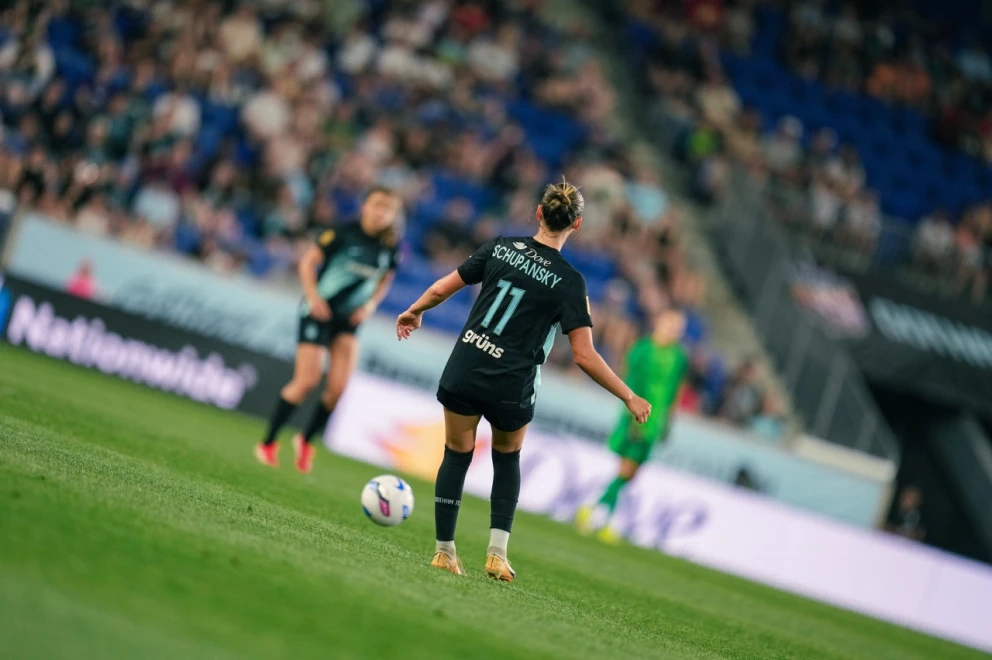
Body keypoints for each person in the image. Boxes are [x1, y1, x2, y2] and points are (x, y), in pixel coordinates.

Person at [395, 181, 652, 581]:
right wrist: (628, 395)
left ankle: (444, 551)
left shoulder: (500, 247)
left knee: (456, 454)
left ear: (539, 213)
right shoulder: (570, 282)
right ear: (577, 224)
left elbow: (444, 286)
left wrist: (415, 310)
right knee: (507, 458)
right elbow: (584, 355)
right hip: (511, 381)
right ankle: (497, 554)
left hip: (466, 364)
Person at [255, 186, 403, 473]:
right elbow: (307, 262)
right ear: (365, 206)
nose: (381, 212)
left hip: (348, 321)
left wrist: (370, 305)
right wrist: (313, 297)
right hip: (318, 312)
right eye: (377, 205)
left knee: (338, 388)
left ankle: (305, 441)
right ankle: (268, 442)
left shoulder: (391, 246)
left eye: (388, 209)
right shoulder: (341, 233)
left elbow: (386, 278)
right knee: (307, 380)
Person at [575, 309, 689, 542]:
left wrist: (668, 422)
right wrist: (632, 417)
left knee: (631, 474)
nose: (674, 332)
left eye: (679, 328)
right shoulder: (642, 349)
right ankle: (596, 513)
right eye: (671, 326)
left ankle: (600, 514)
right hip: (636, 419)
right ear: (659, 323)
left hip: (655, 423)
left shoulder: (679, 358)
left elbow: (675, 391)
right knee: (626, 470)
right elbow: (630, 383)